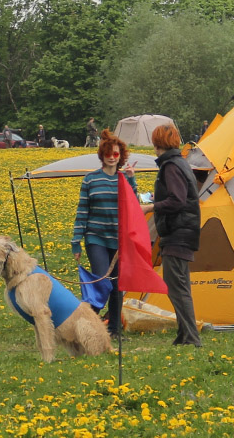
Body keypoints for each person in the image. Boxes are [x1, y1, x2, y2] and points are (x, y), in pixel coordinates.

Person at [140, 123, 202, 347]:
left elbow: (177, 200)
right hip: (183, 232)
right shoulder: (180, 163)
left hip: (178, 233)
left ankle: (192, 339)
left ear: (158, 143)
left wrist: (150, 207)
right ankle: (184, 336)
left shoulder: (171, 167)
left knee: (177, 288)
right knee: (179, 286)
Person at [72, 129, 137, 338]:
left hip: (118, 241)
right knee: (103, 282)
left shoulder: (123, 180)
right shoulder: (90, 180)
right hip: (96, 239)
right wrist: (76, 242)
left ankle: (114, 330)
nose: (111, 157)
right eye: (108, 153)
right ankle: (86, 323)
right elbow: (82, 211)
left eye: (116, 154)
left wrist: (132, 180)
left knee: (118, 285)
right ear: (102, 155)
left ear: (121, 156)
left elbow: (134, 207)